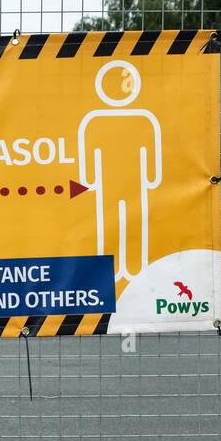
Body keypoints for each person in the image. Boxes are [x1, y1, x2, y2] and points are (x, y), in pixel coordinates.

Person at [77, 60, 163, 281]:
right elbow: (152, 157)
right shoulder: (142, 120)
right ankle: (129, 268)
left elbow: (88, 160)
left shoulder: (96, 121)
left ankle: (127, 268)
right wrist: (151, 179)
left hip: (114, 184)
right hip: (128, 183)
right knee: (125, 224)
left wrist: (89, 182)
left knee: (125, 224)